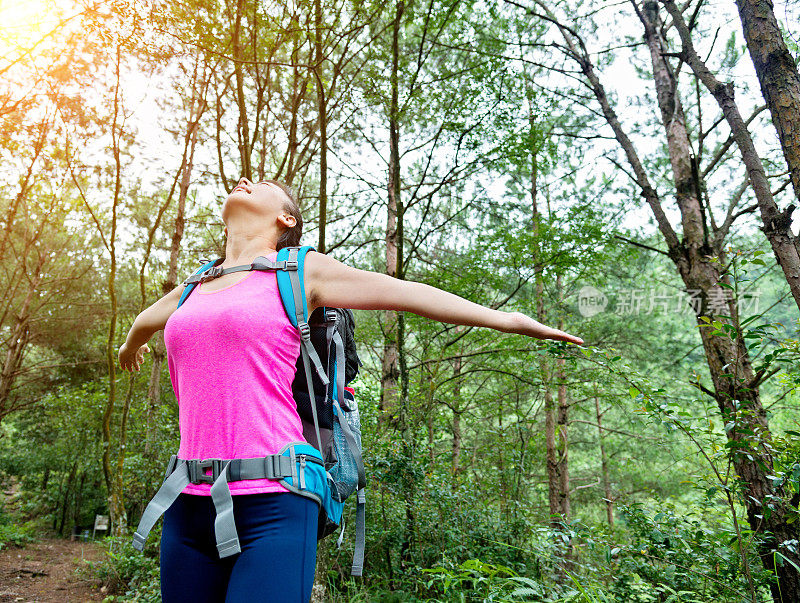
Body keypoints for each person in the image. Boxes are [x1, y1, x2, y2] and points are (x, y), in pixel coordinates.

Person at [118, 177, 583, 602]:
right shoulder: (196, 284)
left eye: (260, 184)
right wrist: (128, 348)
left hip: (275, 501)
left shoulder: (300, 270)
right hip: (187, 501)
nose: (244, 180)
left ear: (286, 219)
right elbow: (144, 321)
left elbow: (409, 292)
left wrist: (509, 320)